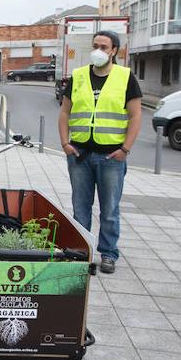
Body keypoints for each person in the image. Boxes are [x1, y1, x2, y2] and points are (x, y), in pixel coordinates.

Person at [57, 31, 142, 274]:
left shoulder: (125, 77)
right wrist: (65, 144)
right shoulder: (79, 76)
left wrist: (125, 149)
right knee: (80, 208)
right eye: (95, 45)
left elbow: (136, 115)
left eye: (104, 47)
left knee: (110, 209)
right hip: (80, 154)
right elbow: (65, 112)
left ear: (114, 50)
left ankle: (108, 253)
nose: (98, 50)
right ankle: (81, 251)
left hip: (111, 156)